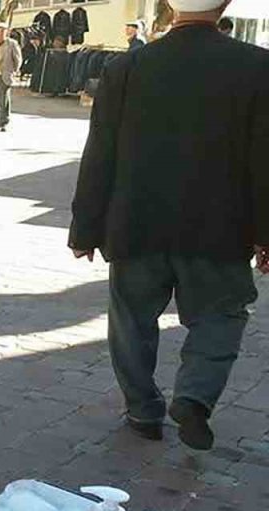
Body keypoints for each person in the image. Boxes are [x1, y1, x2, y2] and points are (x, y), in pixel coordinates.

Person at [69, 0, 268, 451]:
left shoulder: (126, 67)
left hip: (136, 223)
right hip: (220, 229)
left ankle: (142, 409)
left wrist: (85, 228)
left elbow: (100, 153)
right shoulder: (258, 68)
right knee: (220, 315)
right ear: (225, 5)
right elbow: (265, 161)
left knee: (131, 320)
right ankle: (194, 397)